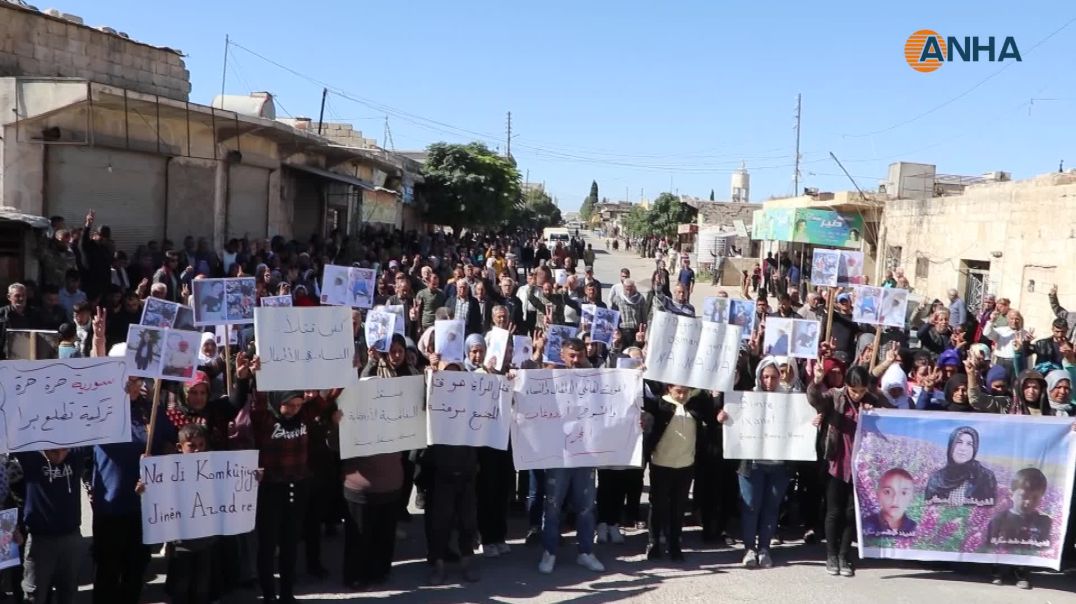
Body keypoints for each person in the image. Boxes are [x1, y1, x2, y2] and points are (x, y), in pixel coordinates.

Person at [808, 364, 890, 577]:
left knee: (851, 512)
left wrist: (878, 410)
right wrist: (816, 382)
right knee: (834, 511)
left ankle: (845, 555)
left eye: (862, 390)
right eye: (854, 390)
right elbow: (815, 399)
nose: (858, 394)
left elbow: (890, 415)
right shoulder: (835, 397)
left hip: (861, 466)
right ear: (847, 386)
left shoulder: (871, 400)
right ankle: (831, 554)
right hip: (837, 462)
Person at [537, 337, 605, 575]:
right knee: (553, 505)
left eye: (580, 356)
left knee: (586, 506)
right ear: (562, 355)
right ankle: (550, 552)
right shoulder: (550, 376)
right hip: (559, 454)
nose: (576, 361)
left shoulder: (594, 379)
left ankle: (586, 552)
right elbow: (530, 394)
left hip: (586, 453)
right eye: (571, 356)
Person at [642, 383, 709, 561]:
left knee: (678, 507)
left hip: (685, 464)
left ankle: (674, 544)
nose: (682, 396)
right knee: (657, 505)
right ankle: (654, 541)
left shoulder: (694, 406)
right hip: (661, 462)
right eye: (678, 391)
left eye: (685, 392)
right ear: (669, 389)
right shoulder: (659, 405)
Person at [16, 447, 88, 604]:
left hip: (71, 538)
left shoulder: (76, 454)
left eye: (64, 450)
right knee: (34, 596)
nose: (61, 454)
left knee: (68, 593)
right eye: (55, 451)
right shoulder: (30, 456)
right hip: (40, 540)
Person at [987, 468, 1051, 590]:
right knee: (999, 547)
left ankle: (1021, 574)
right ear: (1011, 495)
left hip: (1024, 551)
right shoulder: (1000, 518)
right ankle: (997, 571)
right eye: (1024, 496)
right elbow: (990, 541)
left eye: (1035, 498)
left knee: (1026, 549)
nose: (1028, 502)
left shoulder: (1043, 520)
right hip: (1001, 549)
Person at [924, 426, 998, 506]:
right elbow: (928, 509)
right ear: (951, 446)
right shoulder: (936, 478)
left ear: (975, 449)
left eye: (969, 444)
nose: (963, 448)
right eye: (959, 442)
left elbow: (989, 511)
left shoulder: (985, 477)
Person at [861, 468, 918, 537]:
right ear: (877, 494)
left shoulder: (917, 530)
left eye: (904, 493)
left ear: (912, 497)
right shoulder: (863, 526)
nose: (895, 499)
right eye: (887, 492)